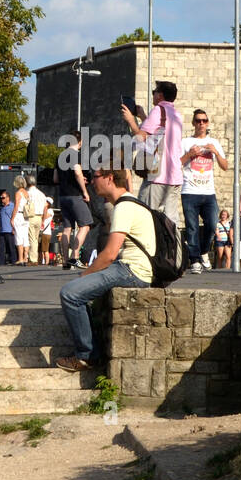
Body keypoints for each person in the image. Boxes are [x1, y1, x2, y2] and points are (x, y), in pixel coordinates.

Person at [56, 168, 152, 372]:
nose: (91, 182)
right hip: (134, 268)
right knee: (82, 291)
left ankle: (86, 356)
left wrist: (84, 275)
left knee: (70, 293)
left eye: (95, 177)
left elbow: (109, 254)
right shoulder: (132, 202)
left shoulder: (124, 207)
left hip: (132, 271)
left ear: (109, 178)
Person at [121, 80, 184, 231]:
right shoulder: (176, 114)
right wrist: (143, 116)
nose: (153, 95)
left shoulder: (157, 111)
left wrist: (130, 120)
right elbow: (159, 131)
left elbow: (141, 137)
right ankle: (175, 253)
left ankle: (151, 253)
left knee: (146, 218)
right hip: (174, 176)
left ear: (160, 95)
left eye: (154, 92)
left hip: (157, 176)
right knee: (171, 222)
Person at [179, 108, 229, 273]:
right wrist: (189, 155)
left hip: (209, 192)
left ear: (208, 123)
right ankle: (194, 260)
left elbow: (225, 166)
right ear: (193, 123)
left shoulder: (213, 142)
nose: (201, 123)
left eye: (204, 120)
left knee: (211, 224)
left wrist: (215, 152)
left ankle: (203, 251)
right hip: (189, 191)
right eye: (198, 120)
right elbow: (176, 164)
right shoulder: (185, 142)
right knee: (192, 227)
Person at [56, 130, 95, 270]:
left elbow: (55, 178)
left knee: (67, 228)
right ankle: (75, 256)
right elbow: (78, 172)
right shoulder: (76, 155)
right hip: (75, 195)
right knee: (86, 224)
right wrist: (84, 190)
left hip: (63, 195)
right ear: (79, 142)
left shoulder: (60, 156)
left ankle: (65, 261)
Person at [25, 174, 49, 265]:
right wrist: (43, 220)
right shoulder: (41, 194)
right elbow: (45, 207)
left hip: (30, 217)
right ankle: (34, 257)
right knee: (35, 238)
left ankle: (32, 259)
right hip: (39, 217)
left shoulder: (27, 193)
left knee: (31, 238)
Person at [11, 175, 30, 265]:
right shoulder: (26, 193)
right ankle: (26, 257)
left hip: (19, 215)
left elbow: (16, 206)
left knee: (18, 237)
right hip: (26, 216)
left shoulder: (18, 193)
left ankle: (20, 258)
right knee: (25, 237)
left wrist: (12, 218)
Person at [0, 190, 17, 266]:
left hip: (10, 230)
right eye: (1, 198)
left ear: (8, 198)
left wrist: (14, 228)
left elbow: (15, 218)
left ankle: (14, 262)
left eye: (3, 197)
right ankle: (1, 263)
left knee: (11, 247)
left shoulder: (13, 206)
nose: (2, 199)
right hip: (2, 231)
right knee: (1, 248)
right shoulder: (1, 207)